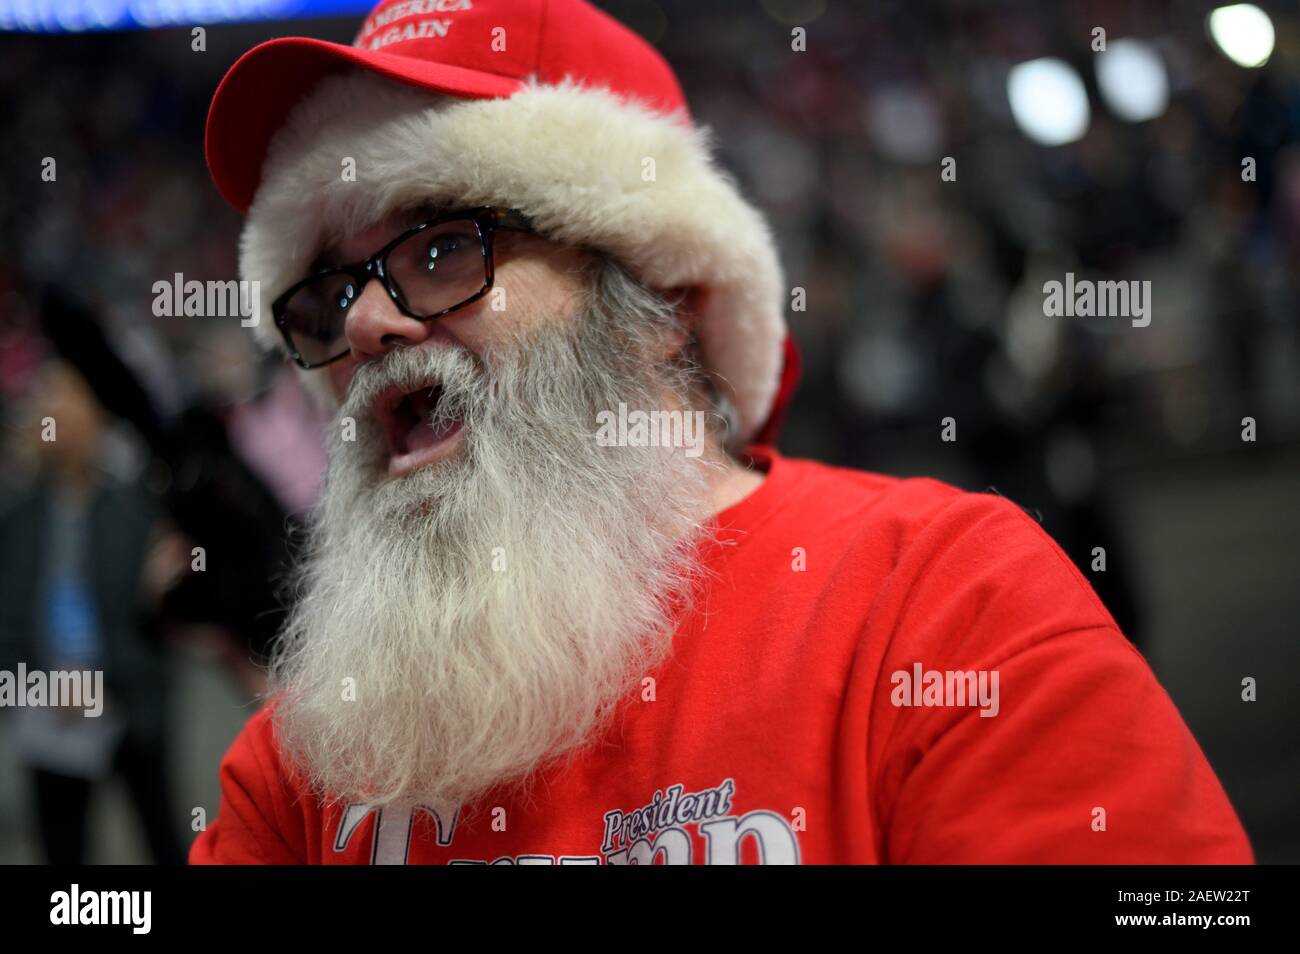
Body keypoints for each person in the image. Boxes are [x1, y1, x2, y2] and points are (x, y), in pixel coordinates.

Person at [191, 0, 1252, 864]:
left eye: (439, 252)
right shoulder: (308, 753)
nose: (366, 322)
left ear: (663, 302)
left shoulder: (947, 608)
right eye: (327, 294)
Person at [0, 360, 185, 864]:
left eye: (64, 398)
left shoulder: (131, 508)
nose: (50, 413)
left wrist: (104, 681)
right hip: (47, 712)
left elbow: (156, 620)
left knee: (160, 832)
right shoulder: (16, 515)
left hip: (127, 703)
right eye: (42, 401)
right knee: (62, 849)